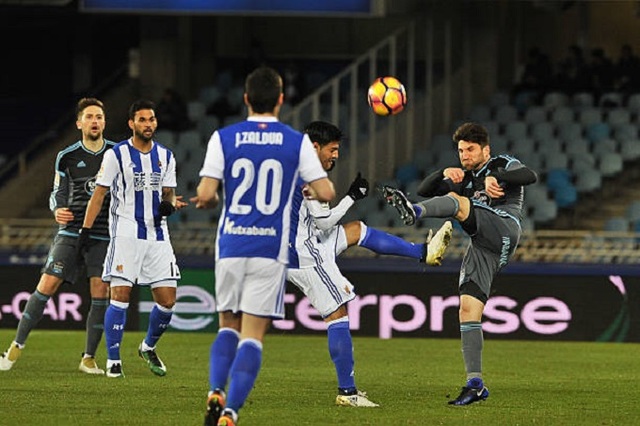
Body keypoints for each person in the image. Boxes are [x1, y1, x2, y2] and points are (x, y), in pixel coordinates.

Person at [192, 66, 335, 426]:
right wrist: (304, 185)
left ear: (245, 99)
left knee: (227, 325)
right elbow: (326, 192)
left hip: (230, 246)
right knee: (253, 336)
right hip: (270, 250)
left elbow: (206, 195)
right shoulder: (295, 141)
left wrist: (208, 201)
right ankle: (230, 413)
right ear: (281, 100)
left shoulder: (223, 137)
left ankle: (214, 389)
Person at [287, 121, 453, 408]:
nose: (335, 156)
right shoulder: (308, 175)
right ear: (314, 146)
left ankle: (422, 252)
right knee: (337, 314)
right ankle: (348, 393)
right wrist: (352, 196)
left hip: (298, 242)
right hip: (303, 253)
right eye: (332, 149)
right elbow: (324, 220)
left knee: (356, 230)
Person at [381, 122, 537, 406]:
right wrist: (442, 173)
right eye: (461, 150)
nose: (464, 155)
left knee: (457, 201)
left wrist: (499, 179)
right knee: (468, 311)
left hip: (504, 228)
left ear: (485, 150)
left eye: (470, 149)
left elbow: (530, 176)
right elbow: (426, 188)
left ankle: (413, 212)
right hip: (483, 246)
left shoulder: (501, 163)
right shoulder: (464, 176)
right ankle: (475, 384)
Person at [0, 97, 114, 374]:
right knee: (47, 285)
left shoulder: (116, 154)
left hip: (103, 233)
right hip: (71, 231)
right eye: (89, 116)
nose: (95, 121)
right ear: (79, 123)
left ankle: (88, 358)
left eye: (99, 116)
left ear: (104, 122)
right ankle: (15, 347)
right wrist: (57, 209)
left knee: (101, 292)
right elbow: (57, 193)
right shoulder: (67, 156)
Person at [79, 99, 187, 378]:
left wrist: (169, 204)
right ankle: (113, 359)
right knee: (121, 295)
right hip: (126, 233)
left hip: (158, 235)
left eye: (151, 120)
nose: (148, 124)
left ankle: (147, 346)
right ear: (131, 124)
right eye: (142, 120)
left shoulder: (166, 156)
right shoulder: (117, 154)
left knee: (168, 300)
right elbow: (99, 194)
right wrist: (86, 230)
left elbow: (168, 194)